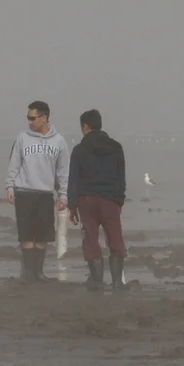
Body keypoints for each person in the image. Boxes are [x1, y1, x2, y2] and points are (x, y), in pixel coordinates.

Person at [7, 101, 70, 283]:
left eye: (33, 118)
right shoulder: (22, 138)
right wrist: (9, 187)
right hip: (24, 191)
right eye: (28, 118)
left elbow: (63, 171)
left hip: (45, 193)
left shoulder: (58, 141)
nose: (30, 122)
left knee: (42, 236)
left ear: (44, 118)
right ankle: (28, 273)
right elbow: (14, 164)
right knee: (26, 235)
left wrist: (64, 195)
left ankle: (39, 272)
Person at [67, 109, 128, 290]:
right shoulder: (116, 147)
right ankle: (117, 282)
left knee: (91, 240)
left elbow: (73, 179)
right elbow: (121, 176)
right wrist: (120, 200)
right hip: (110, 199)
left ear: (85, 127)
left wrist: (72, 205)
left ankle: (97, 280)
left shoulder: (79, 150)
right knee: (115, 239)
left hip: (87, 200)